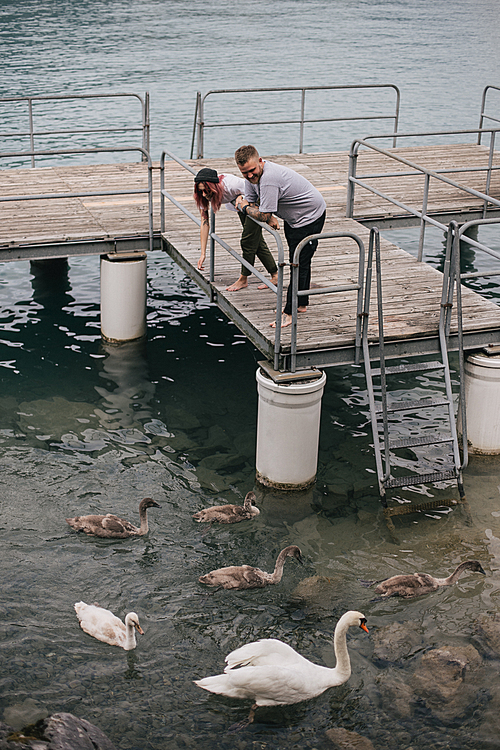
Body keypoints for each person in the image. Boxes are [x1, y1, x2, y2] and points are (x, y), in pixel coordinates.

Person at [234, 145, 326, 328]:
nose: (250, 176)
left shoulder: (269, 178)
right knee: (300, 260)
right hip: (293, 219)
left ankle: (289, 312)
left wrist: (243, 206)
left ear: (260, 161)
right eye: (245, 173)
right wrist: (253, 207)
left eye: (252, 170)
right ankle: (301, 303)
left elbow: (261, 214)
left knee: (297, 263)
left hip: (310, 216)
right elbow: (255, 203)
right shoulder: (252, 179)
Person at [193, 167, 278, 292]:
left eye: (206, 191)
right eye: (201, 192)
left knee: (247, 240)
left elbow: (254, 189)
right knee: (256, 240)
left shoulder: (231, 184)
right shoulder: (202, 195)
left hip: (255, 202)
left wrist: (243, 196)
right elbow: (204, 222)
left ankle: (243, 279)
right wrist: (203, 254)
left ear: (214, 187)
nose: (204, 195)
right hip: (241, 207)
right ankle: (275, 275)